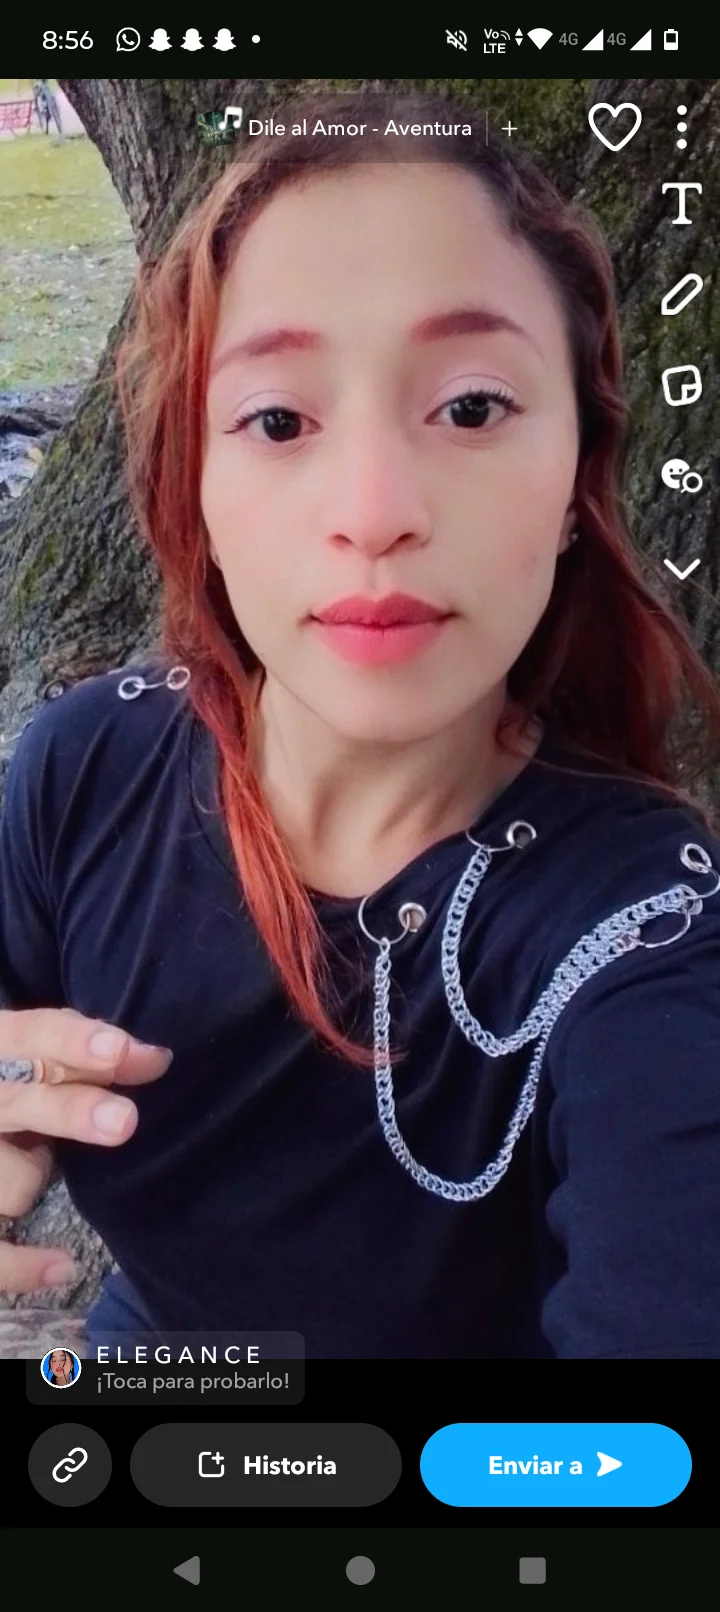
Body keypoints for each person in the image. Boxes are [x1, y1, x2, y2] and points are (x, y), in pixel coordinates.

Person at [0, 87, 719, 1360]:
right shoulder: (86, 766)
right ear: (195, 483)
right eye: (279, 420)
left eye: (472, 408)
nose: (375, 509)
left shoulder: (650, 935)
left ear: (576, 479)